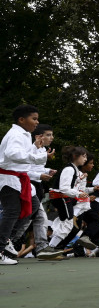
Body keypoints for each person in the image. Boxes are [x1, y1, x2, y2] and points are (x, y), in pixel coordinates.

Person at [0, 105, 51, 265]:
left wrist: (35, 148)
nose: (37, 122)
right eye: (34, 118)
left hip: (19, 179)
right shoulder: (16, 134)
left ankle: (8, 239)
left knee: (33, 205)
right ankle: (1, 247)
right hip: (9, 180)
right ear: (22, 119)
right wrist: (35, 157)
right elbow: (12, 154)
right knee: (12, 212)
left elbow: (22, 155)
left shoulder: (23, 134)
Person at [9, 124, 59, 259]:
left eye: (51, 134)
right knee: (30, 216)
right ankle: (10, 242)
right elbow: (23, 170)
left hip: (36, 186)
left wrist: (47, 171)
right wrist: (39, 176)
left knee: (36, 217)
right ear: (38, 137)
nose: (52, 137)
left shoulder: (42, 150)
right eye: (48, 135)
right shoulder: (30, 149)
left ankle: (39, 247)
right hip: (27, 186)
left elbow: (36, 169)